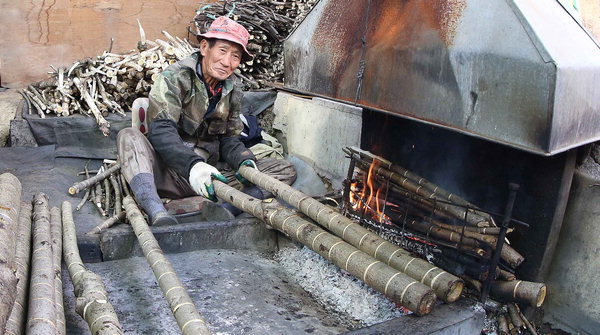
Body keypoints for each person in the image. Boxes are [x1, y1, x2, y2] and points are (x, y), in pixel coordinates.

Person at [117, 16, 295, 225]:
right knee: (128, 136)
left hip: (209, 177)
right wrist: (192, 166)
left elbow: (229, 139)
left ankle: (226, 209)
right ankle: (156, 209)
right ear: (204, 47)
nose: (227, 62)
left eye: (235, 56)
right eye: (222, 51)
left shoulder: (232, 89)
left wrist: (245, 160)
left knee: (284, 170)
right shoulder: (175, 77)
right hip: (167, 172)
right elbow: (161, 130)